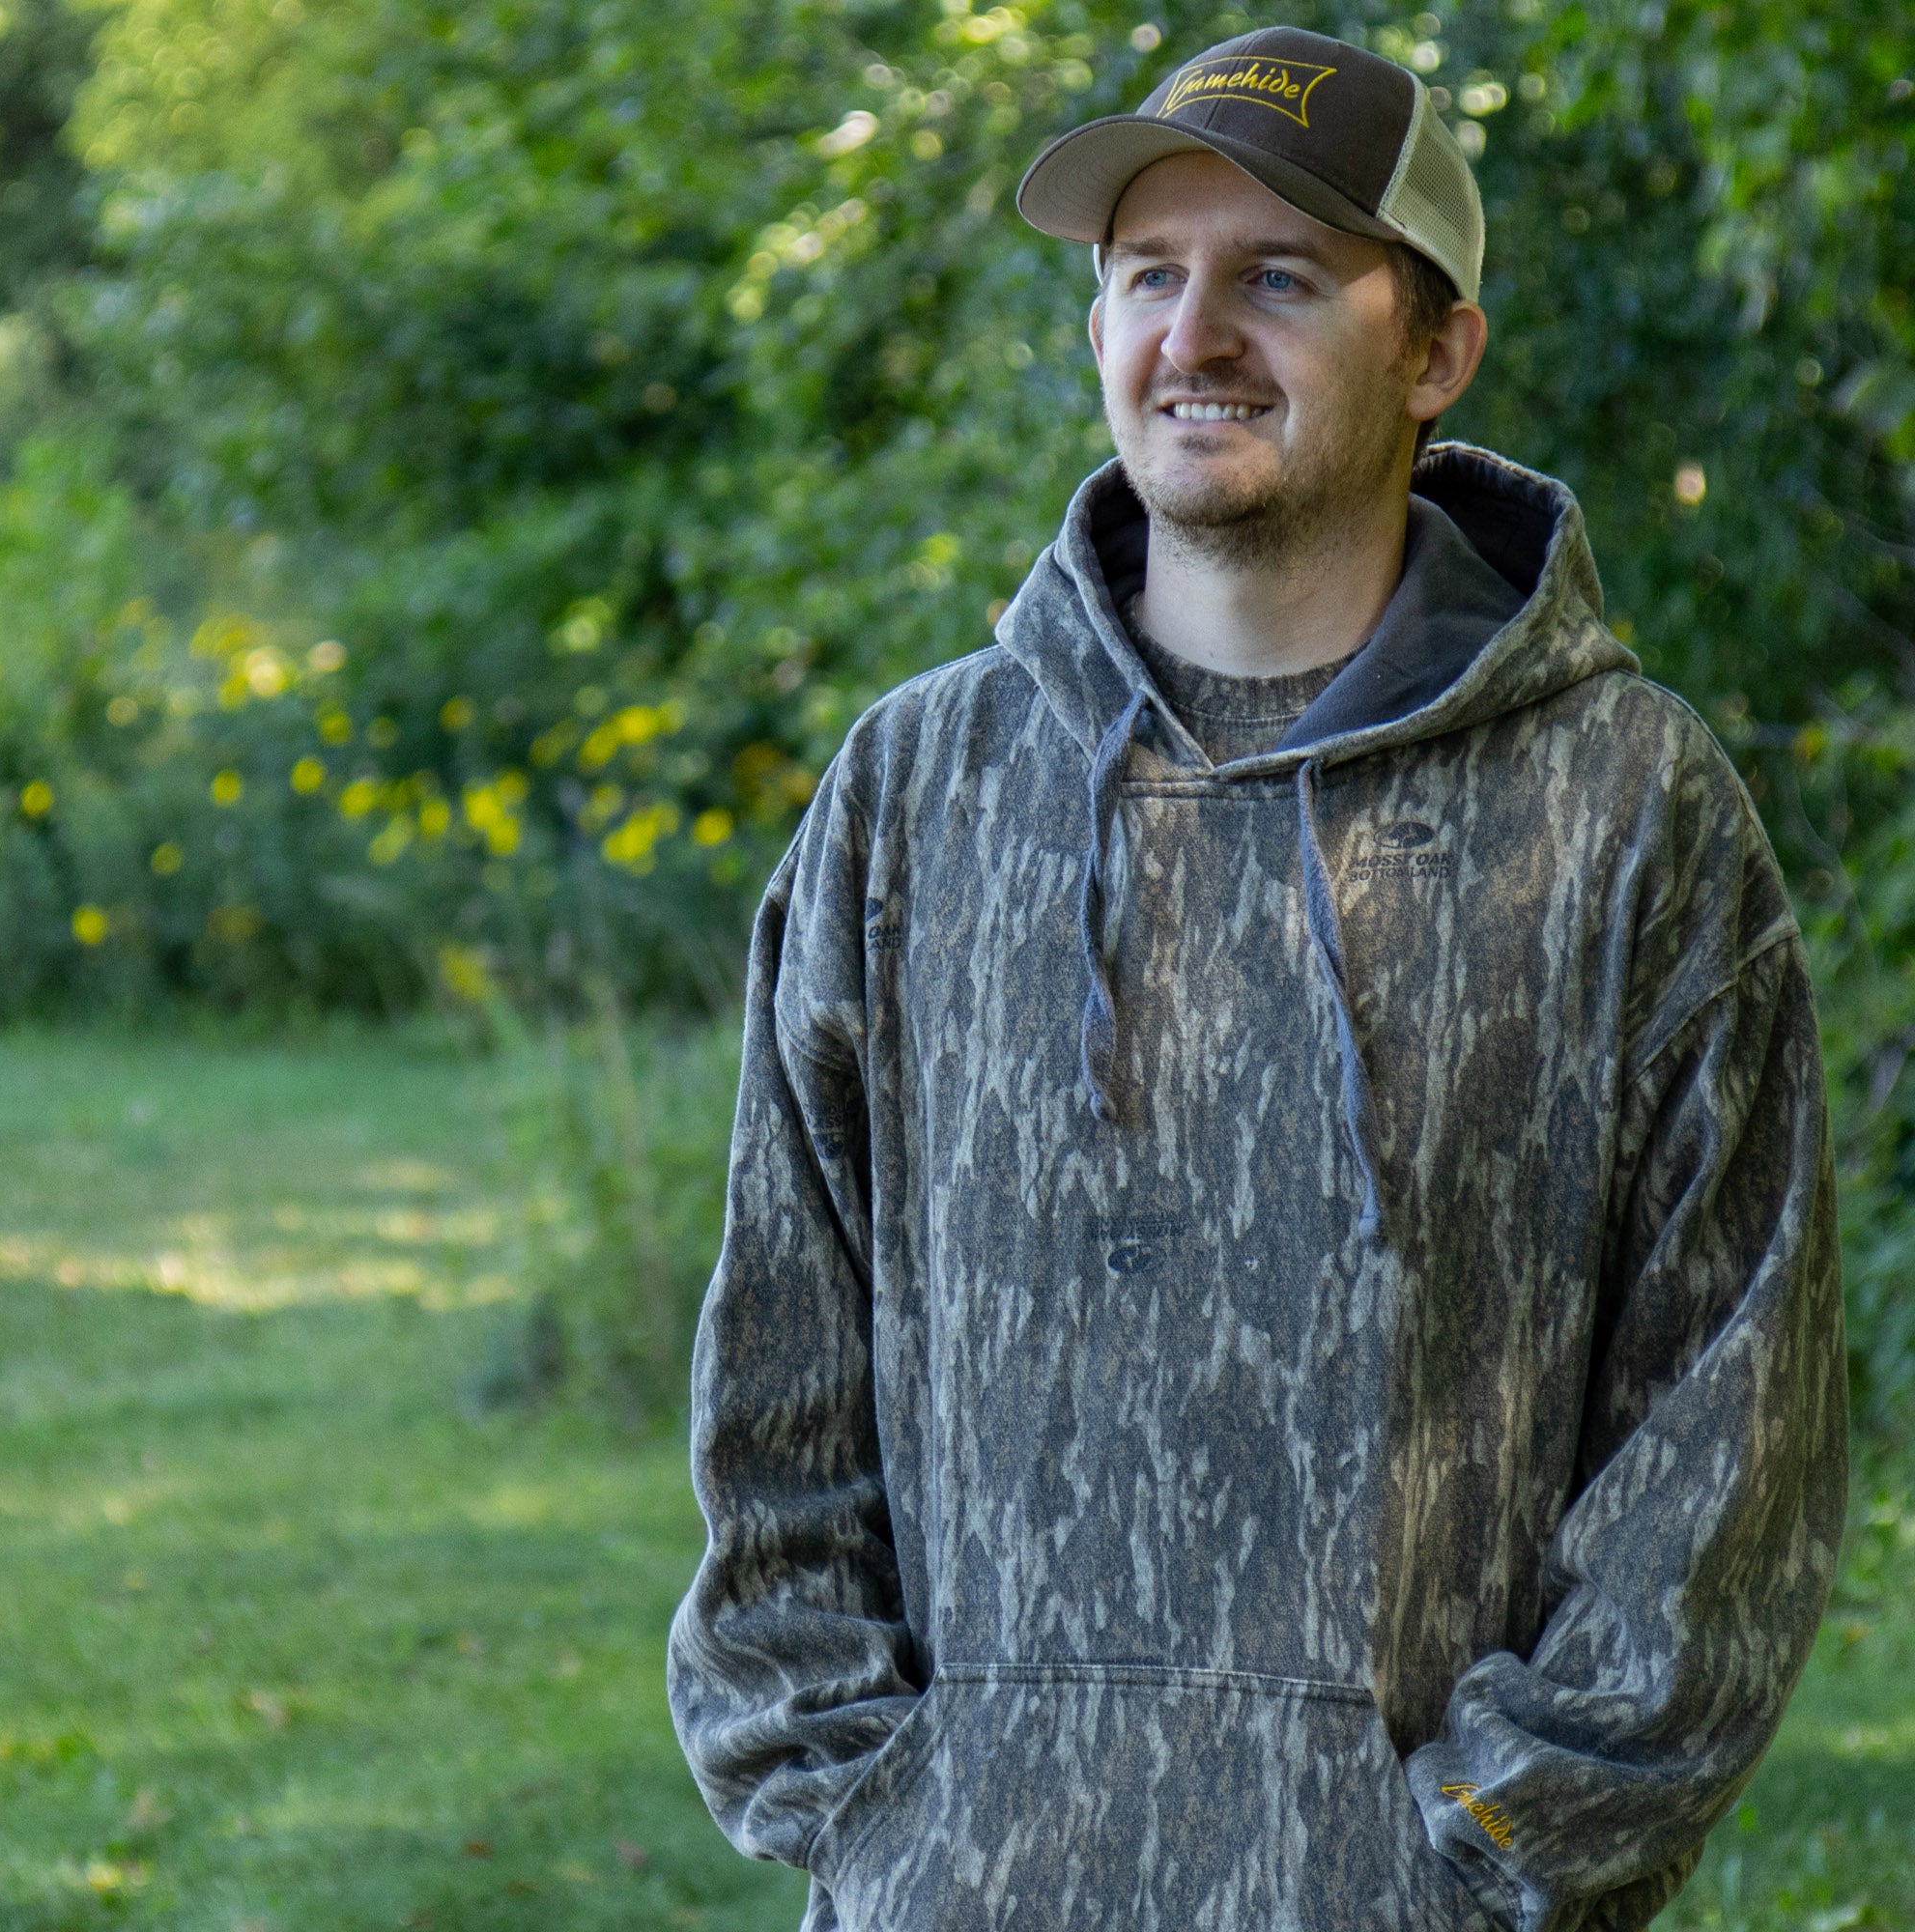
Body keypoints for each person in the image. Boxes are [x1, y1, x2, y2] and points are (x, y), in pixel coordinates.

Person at [667, 23, 1847, 1932]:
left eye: (1279, 277)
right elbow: (774, 1378)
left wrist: (1479, 1854)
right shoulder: (916, 789)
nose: (1193, 335)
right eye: (1149, 274)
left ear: (1436, 348)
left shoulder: (1624, 808)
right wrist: (873, 1812)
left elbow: (1728, 1432)